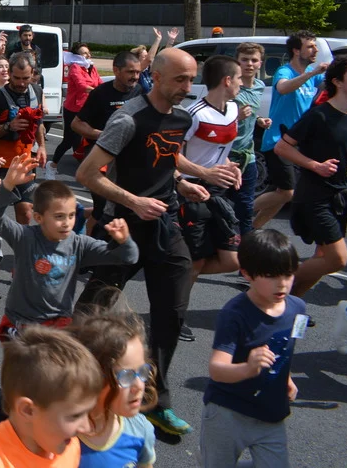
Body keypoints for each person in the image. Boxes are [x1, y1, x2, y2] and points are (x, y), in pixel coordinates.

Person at [75, 48, 241, 437]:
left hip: (165, 225)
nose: (188, 86)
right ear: (159, 77)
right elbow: (87, 173)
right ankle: (66, 382)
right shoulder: (127, 118)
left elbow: (167, 156)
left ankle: (154, 398)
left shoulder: (182, 117)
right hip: (123, 227)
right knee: (92, 312)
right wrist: (134, 201)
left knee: (171, 312)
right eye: (180, 79)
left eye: (191, 79)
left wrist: (189, 181)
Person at [0, 153, 138, 426]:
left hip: (59, 324)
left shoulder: (78, 244)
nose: (67, 222)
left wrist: (124, 241)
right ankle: (2, 414)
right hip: (21, 322)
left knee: (47, 377)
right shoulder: (26, 238)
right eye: (59, 216)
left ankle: (25, 416)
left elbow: (128, 258)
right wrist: (7, 186)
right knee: (25, 376)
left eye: (72, 215)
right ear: (39, 217)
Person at [201, 229, 304, 468]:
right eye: (271, 275)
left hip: (270, 414)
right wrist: (248, 367)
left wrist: (286, 378)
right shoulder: (234, 314)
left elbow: (287, 349)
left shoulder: (298, 309)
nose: (282, 283)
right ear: (247, 273)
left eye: (288, 274)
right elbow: (217, 369)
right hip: (228, 412)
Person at [273, 54, 347, 299]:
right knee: (338, 259)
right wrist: (315, 165)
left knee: (322, 257)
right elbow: (282, 147)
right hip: (314, 195)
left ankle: (290, 303)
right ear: (338, 81)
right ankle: (273, 288)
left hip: (338, 195)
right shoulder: (319, 115)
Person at [0, 326, 102, 468]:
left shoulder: (69, 445)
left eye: (88, 412)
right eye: (75, 416)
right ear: (28, 410)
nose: (87, 428)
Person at [175, 55, 244, 342]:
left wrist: (230, 167)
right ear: (227, 81)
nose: (242, 83)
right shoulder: (194, 114)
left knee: (232, 260)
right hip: (193, 190)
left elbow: (220, 152)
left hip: (218, 191)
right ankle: (175, 316)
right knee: (196, 261)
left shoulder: (234, 109)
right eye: (239, 78)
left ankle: (174, 275)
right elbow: (172, 155)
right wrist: (204, 173)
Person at [253, 30, 329, 229]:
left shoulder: (312, 75)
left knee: (283, 193)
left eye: (315, 46)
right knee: (287, 192)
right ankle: (239, 212)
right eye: (310, 46)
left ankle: (252, 228)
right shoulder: (285, 71)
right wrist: (312, 73)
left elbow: (331, 87)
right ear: (296, 50)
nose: (315, 50)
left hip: (297, 143)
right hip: (277, 141)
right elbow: (283, 88)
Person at [70, 311, 158, 467]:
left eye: (143, 371)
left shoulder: (140, 430)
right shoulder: (61, 439)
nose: (139, 386)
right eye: (126, 376)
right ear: (91, 380)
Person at [72, 51, 144, 233]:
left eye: (138, 72)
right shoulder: (100, 93)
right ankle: (88, 244)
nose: (135, 77)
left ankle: (82, 216)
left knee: (118, 206)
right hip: (100, 156)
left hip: (126, 159)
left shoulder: (140, 92)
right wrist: (105, 136)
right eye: (130, 72)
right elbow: (76, 124)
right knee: (102, 206)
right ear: (116, 70)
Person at [0, 53, 47, 225]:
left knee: (26, 211)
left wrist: (41, 146)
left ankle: (21, 242)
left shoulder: (37, 91)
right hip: (1, 164)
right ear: (9, 73)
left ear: (32, 73)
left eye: (25, 78)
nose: (21, 83)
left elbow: (39, 122)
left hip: (25, 161)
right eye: (16, 78)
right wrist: (8, 126)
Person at [228, 43, 272, 237]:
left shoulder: (260, 86)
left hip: (248, 154)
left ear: (260, 63)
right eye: (244, 60)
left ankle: (246, 244)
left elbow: (251, 112)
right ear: (237, 62)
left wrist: (259, 120)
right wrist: (236, 117)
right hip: (226, 154)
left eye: (254, 60)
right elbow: (216, 117)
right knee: (220, 202)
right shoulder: (230, 86)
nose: (249, 64)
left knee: (246, 205)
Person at [49, 43, 100, 174]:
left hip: (88, 108)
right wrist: (97, 92)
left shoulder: (91, 67)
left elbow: (99, 82)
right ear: (77, 56)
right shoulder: (75, 67)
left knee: (87, 138)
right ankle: (52, 165)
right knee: (69, 140)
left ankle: (85, 168)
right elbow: (81, 86)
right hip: (74, 109)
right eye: (84, 53)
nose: (88, 55)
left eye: (88, 52)